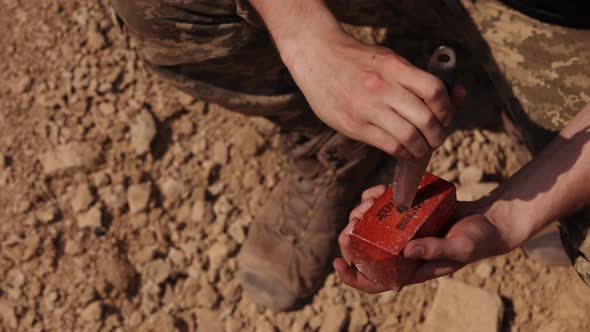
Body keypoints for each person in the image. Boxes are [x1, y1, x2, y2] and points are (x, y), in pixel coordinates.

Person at [112, 0, 590, 309]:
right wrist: (303, 33)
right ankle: (333, 143)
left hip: (559, 23)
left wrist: (511, 214)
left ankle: (525, 117)